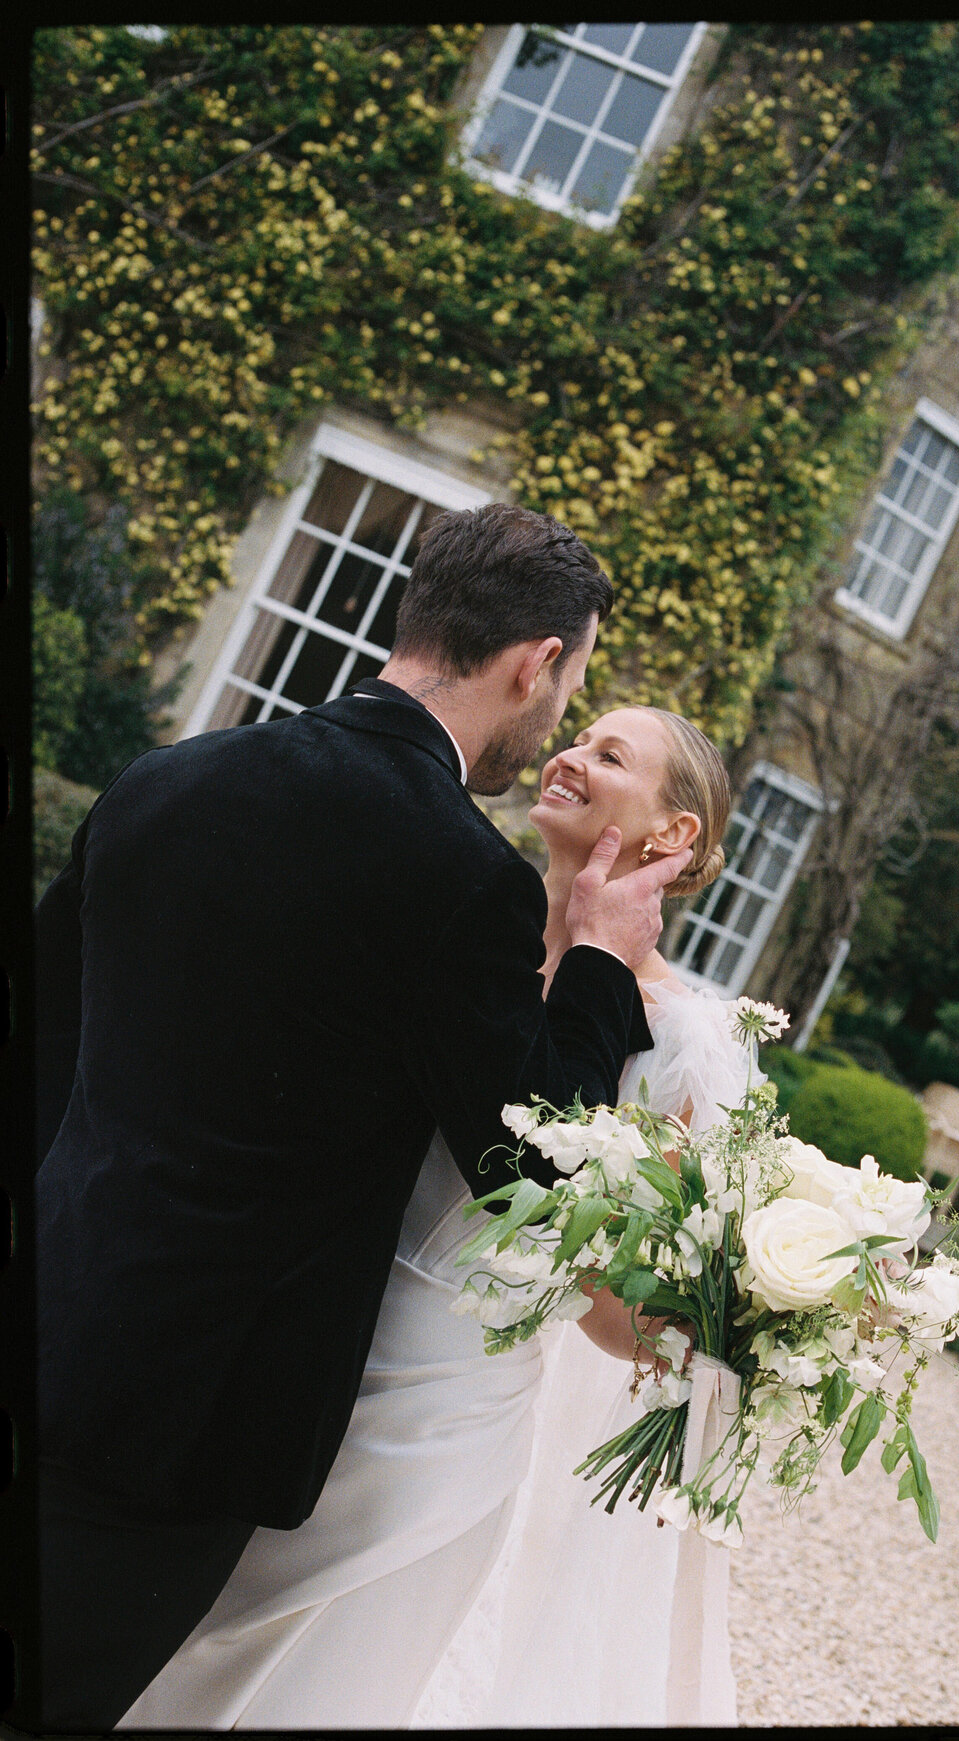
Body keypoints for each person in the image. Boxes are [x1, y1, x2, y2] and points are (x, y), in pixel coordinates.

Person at [31, 502, 691, 1732]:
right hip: (186, 1420)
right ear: (535, 663)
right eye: (576, 685)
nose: (560, 721)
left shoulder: (163, 781)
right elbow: (534, 1169)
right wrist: (599, 964)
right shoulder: (460, 877)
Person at [120, 705, 751, 1729]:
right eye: (577, 735)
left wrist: (719, 1303)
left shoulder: (684, 1044)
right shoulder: (472, 922)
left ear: (674, 836)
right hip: (295, 1353)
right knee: (172, 1655)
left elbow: (618, 1317)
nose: (571, 755)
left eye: (609, 755)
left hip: (444, 1410)